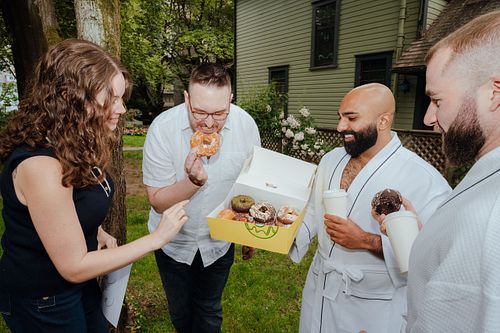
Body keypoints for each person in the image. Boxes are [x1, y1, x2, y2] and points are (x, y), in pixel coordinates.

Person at [0, 39, 188, 333]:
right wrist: (156, 239)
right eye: (111, 98)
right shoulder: (41, 168)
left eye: (121, 98)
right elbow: (73, 266)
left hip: (80, 285)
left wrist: (94, 229)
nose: (122, 108)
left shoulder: (72, 140)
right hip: (43, 298)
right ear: (70, 97)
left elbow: (72, 204)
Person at [289, 83, 451, 332]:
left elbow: (431, 257)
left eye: (351, 118)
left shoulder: (423, 180)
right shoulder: (330, 160)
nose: (341, 126)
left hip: (371, 304)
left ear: (383, 120)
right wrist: (280, 236)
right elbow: (313, 211)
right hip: (321, 288)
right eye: (340, 117)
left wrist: (366, 240)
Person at [142, 62, 260, 332]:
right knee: (181, 315)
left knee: (209, 310)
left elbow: (249, 181)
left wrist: (247, 234)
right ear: (186, 98)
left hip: (219, 242)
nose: (209, 123)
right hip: (173, 242)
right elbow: (158, 201)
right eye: (199, 112)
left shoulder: (246, 126)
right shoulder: (162, 129)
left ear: (231, 100)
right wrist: (192, 182)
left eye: (220, 113)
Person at [406, 11, 500, 332]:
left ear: (494, 93)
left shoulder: (491, 215)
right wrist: (430, 240)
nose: (428, 118)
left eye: (436, 99)